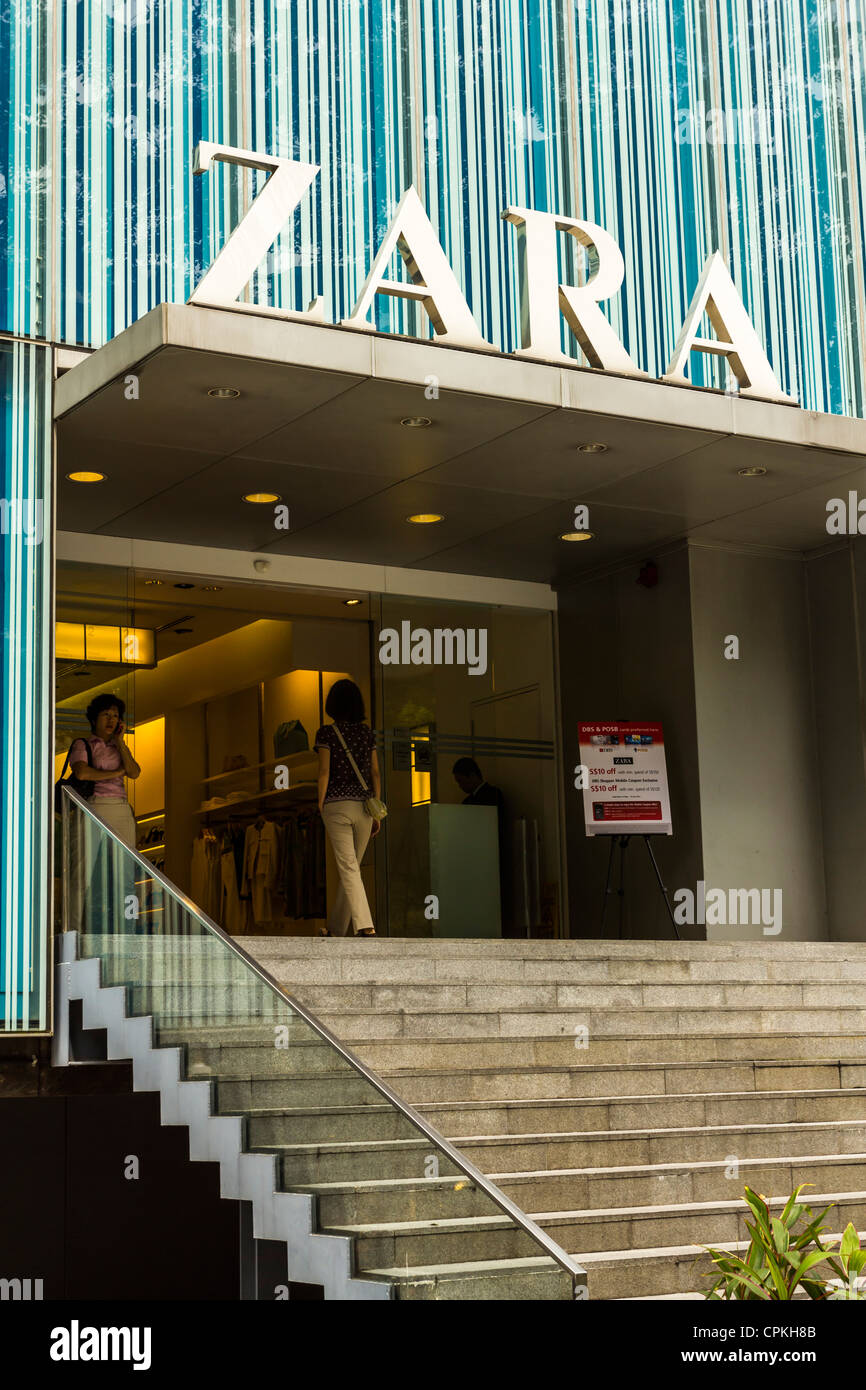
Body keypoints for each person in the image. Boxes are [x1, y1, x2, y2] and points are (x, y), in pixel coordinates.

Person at [315, 679, 380, 937]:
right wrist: (377, 809)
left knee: (348, 867)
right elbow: (375, 772)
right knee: (351, 867)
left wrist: (320, 804)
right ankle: (335, 930)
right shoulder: (367, 734)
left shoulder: (326, 733)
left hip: (337, 806)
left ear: (332, 704)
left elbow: (323, 772)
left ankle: (365, 925)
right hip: (364, 807)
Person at [70, 694, 141, 849]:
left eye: (115, 716)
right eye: (106, 715)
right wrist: (117, 773)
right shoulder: (84, 744)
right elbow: (82, 773)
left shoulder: (119, 747)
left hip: (121, 806)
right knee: (86, 861)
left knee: (126, 863)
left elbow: (134, 772)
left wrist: (120, 742)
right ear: (94, 719)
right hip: (94, 804)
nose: (111, 720)